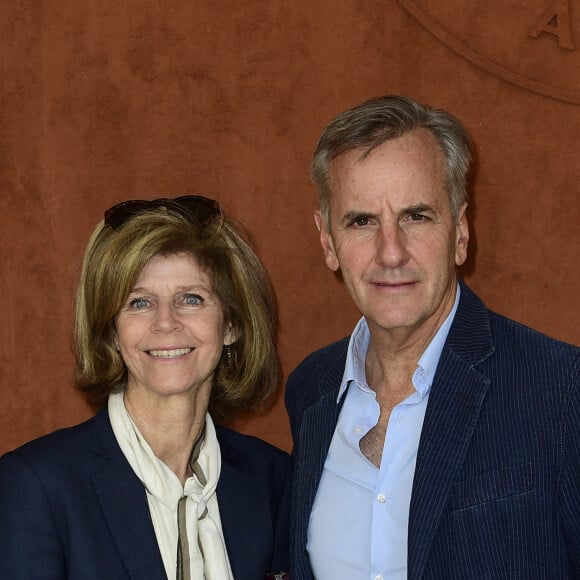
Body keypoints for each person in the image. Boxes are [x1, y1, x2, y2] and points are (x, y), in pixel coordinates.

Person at [285, 95, 580, 579]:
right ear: (327, 241)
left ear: (460, 231)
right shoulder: (310, 391)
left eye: (415, 216)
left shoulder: (561, 389)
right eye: (362, 221)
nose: (391, 251)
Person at [0, 195, 291, 580]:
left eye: (191, 299)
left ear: (232, 326)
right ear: (112, 332)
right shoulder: (36, 486)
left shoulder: (273, 479)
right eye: (139, 303)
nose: (165, 323)